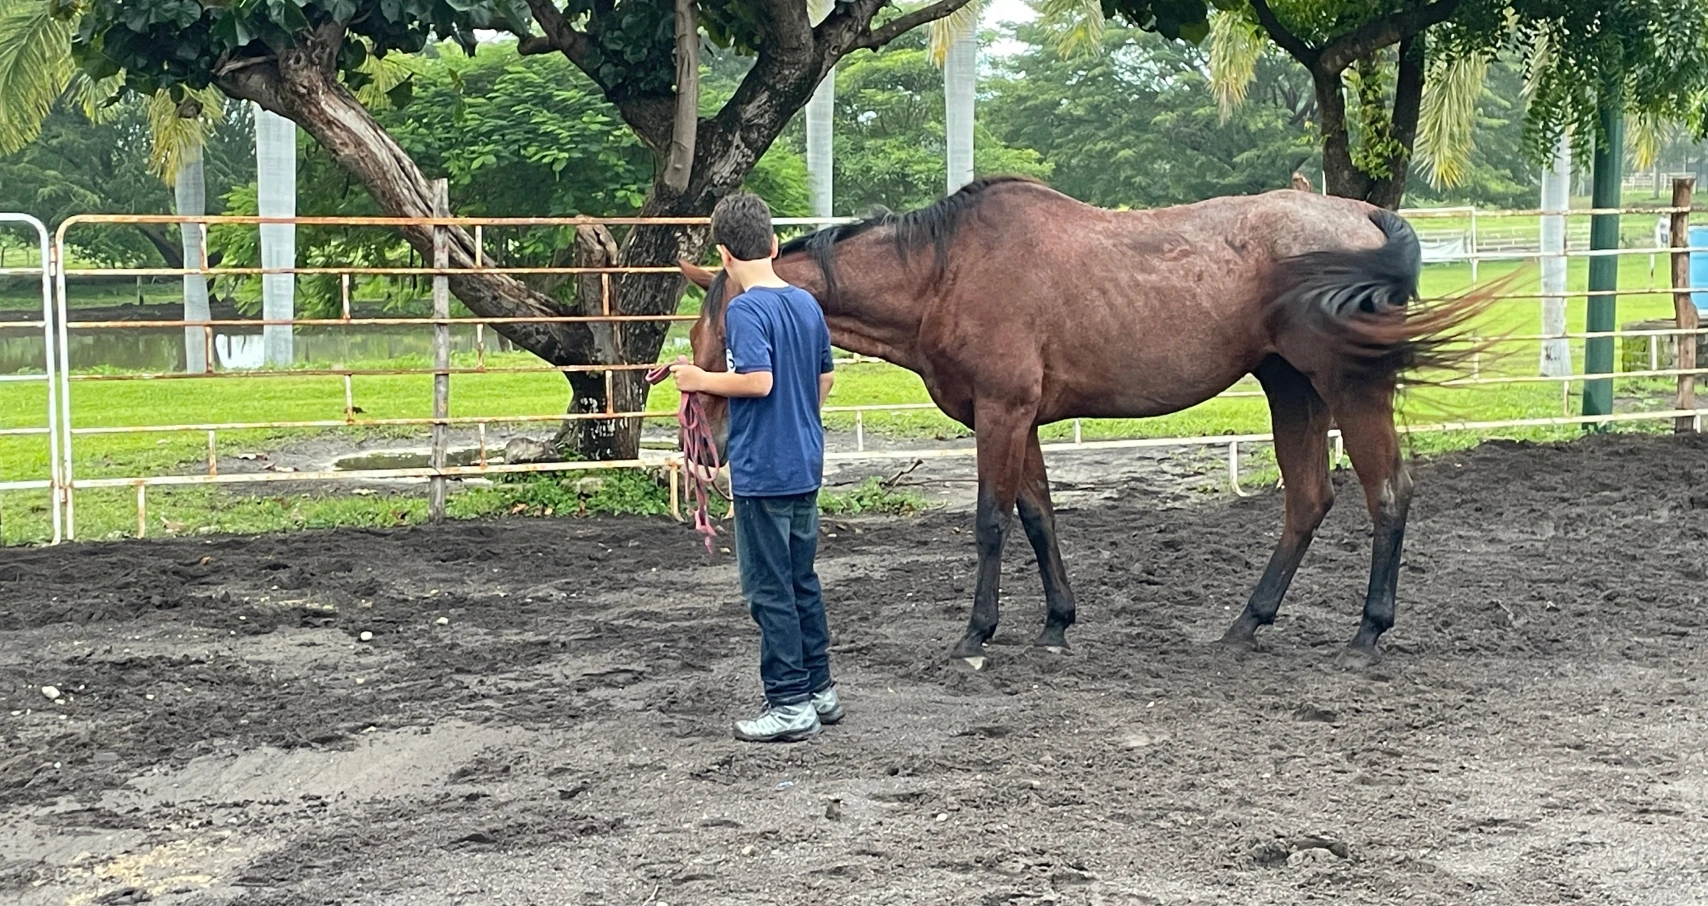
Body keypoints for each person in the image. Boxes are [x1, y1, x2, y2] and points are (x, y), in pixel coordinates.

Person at [670, 192, 840, 743]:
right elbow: (825, 382)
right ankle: (820, 689)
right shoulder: (806, 305)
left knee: (767, 588)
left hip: (763, 469)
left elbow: (757, 381)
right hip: (804, 463)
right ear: (772, 245)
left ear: (722, 255)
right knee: (801, 580)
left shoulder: (742, 310)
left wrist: (698, 380)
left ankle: (788, 702)